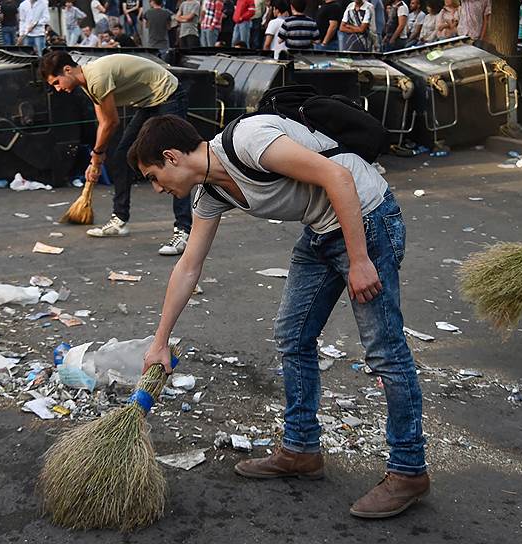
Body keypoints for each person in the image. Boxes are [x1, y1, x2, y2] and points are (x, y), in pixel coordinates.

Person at [130, 109, 430, 518]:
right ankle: (301, 449)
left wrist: (360, 260)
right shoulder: (211, 194)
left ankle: (409, 472)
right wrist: (159, 342)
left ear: (171, 157)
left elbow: (337, 177)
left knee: (384, 351)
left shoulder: (249, 140)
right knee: (293, 335)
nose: (156, 188)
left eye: (152, 176)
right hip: (322, 231)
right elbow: (188, 266)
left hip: (367, 218)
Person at [41, 51, 194, 254]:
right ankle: (120, 220)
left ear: (67, 70)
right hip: (149, 102)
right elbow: (103, 123)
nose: (58, 89)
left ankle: (184, 231)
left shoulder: (96, 77)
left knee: (173, 161)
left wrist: (96, 155)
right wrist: (96, 160)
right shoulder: (88, 83)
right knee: (122, 156)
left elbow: (112, 122)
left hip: (168, 95)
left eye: (57, 82)